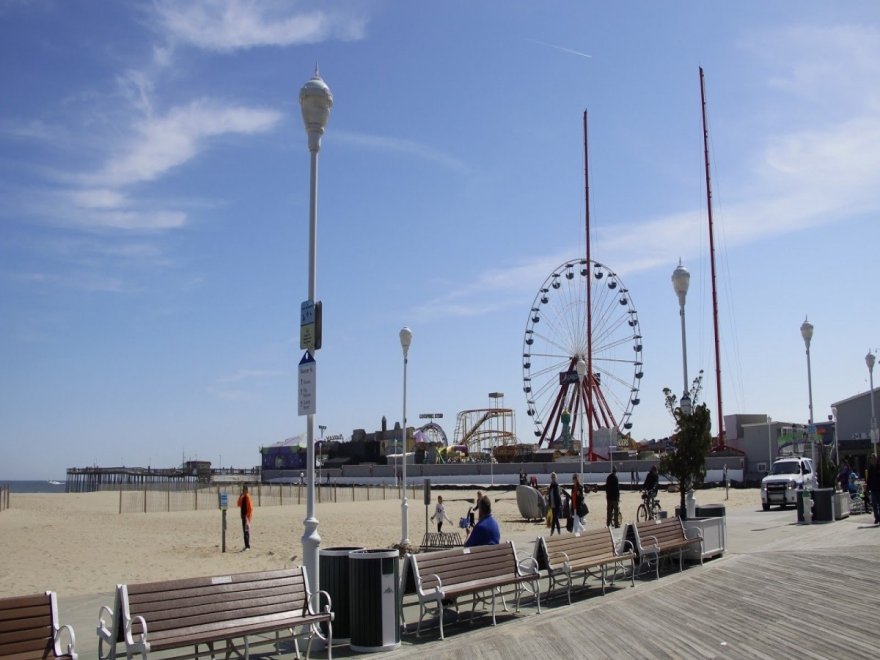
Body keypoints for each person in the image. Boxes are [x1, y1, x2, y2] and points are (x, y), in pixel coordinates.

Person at [237, 485, 253, 550]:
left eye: (243, 490)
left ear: (246, 490)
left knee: (246, 531)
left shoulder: (248, 497)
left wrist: (248, 517)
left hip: (247, 517)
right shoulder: (243, 497)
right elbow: (238, 504)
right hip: (243, 516)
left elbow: (250, 508)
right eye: (242, 490)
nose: (242, 491)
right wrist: (240, 496)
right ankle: (246, 545)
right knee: (244, 531)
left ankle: (248, 546)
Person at [866, 454, 880, 525]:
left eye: (874, 458)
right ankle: (876, 518)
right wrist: (867, 489)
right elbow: (868, 479)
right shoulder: (870, 468)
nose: (873, 460)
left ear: (876, 459)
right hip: (873, 489)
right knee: (874, 505)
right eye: (872, 459)